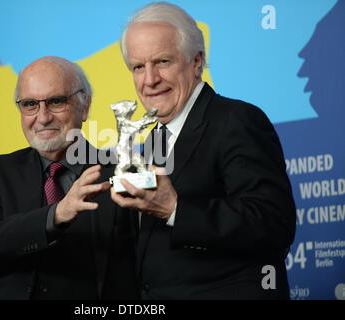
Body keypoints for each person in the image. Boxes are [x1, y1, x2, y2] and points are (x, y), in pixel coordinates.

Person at [111, 2, 296, 299]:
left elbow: (273, 223)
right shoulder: (152, 142)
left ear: (196, 61)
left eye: (162, 62)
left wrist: (175, 209)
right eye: (138, 67)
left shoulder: (236, 120)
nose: (149, 80)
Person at [0, 56, 139, 300]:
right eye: (29, 104)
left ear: (85, 106)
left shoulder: (123, 170)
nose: (43, 117)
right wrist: (55, 215)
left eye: (57, 101)